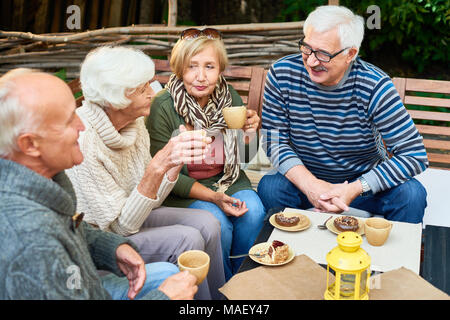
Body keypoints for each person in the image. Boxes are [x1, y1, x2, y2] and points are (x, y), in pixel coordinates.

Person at [0, 68, 197, 300]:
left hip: (88, 282)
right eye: (68, 120)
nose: (81, 126)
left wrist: (111, 248)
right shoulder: (30, 243)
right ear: (30, 144)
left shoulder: (37, 182)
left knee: (168, 270)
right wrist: (164, 298)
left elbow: (68, 226)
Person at [65, 46, 225, 300]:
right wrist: (158, 166)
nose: (153, 93)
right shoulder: (85, 142)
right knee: (188, 238)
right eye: (142, 89)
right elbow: (120, 228)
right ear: (116, 99)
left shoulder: (134, 123)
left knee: (207, 222)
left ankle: (217, 298)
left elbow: (152, 200)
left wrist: (173, 162)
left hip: (133, 219)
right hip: (104, 240)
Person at [257, 5, 428, 223]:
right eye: (307, 48)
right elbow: (274, 142)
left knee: (412, 195)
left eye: (323, 54)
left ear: (350, 54)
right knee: (270, 188)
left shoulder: (375, 85)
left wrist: (356, 188)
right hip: (305, 178)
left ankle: (391, 258)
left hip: (363, 185)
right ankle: (285, 252)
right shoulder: (282, 74)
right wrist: (311, 186)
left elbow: (414, 155)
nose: (311, 61)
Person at [146, 28, 266, 281]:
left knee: (254, 210)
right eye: (192, 67)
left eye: (209, 67)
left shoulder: (229, 98)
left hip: (226, 181)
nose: (201, 77)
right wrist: (214, 197)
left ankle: (243, 282)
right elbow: (163, 172)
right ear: (179, 69)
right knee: (216, 220)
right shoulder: (163, 105)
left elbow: (242, 156)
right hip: (181, 191)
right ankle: (219, 286)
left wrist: (250, 132)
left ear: (220, 69)